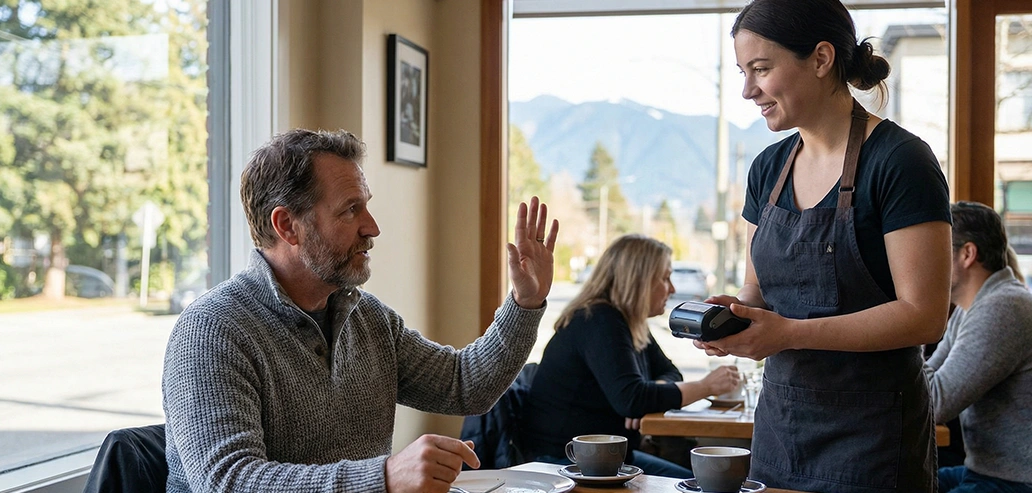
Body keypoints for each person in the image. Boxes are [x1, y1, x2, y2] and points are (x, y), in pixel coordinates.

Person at [162, 128, 560, 493]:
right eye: (350, 210)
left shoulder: (368, 319)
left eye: (365, 207)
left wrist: (524, 304)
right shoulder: (212, 330)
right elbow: (229, 482)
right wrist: (382, 478)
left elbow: (465, 386)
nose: (372, 227)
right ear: (287, 226)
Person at [693, 1, 953, 491]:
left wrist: (788, 333)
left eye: (761, 69)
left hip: (874, 443)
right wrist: (736, 315)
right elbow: (757, 289)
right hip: (780, 432)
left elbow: (924, 314)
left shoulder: (900, 161)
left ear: (820, 58)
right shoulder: (767, 169)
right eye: (743, 72)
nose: (749, 90)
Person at [521, 234, 740, 478]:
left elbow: (669, 374)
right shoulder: (599, 320)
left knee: (701, 480)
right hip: (566, 461)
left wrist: (649, 393)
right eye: (665, 278)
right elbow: (632, 400)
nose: (673, 289)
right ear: (639, 280)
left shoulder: (628, 321)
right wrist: (706, 386)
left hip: (606, 457)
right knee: (703, 484)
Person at [924, 202, 1032, 493]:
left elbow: (934, 402)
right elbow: (928, 381)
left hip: (1015, 480)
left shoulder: (1004, 307)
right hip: (984, 470)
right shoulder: (971, 306)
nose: (923, 261)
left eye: (934, 249)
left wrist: (906, 324)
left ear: (967, 254)